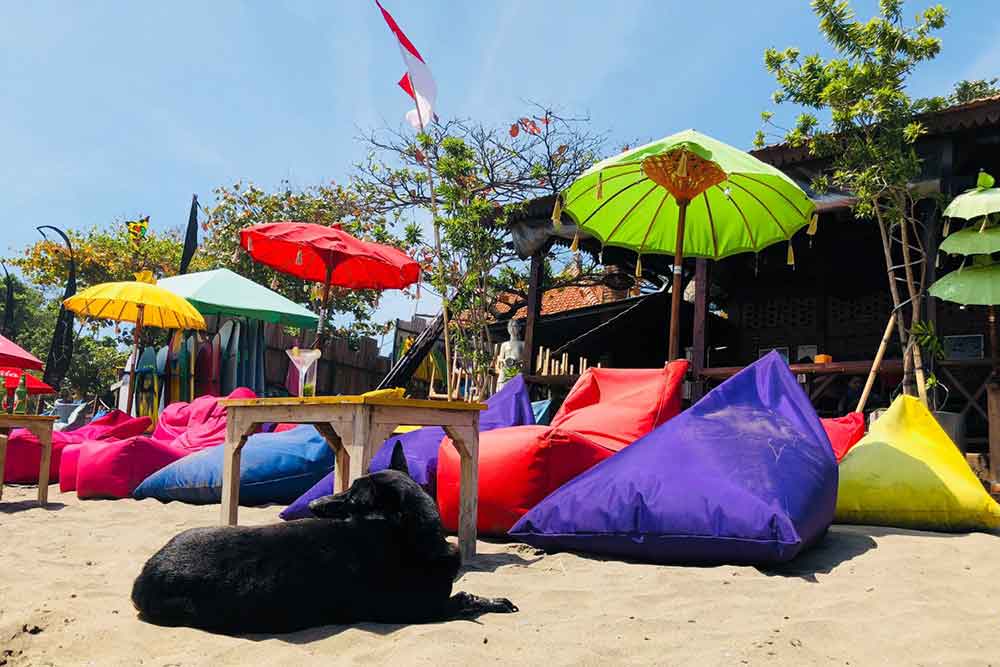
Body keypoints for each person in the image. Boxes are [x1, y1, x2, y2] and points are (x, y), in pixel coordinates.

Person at [495, 319, 525, 390]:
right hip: (505, 369)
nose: (512, 328)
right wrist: (504, 360)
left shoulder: (522, 344)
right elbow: (500, 358)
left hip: (517, 369)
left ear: (519, 328)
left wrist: (516, 362)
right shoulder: (504, 344)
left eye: (514, 326)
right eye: (510, 326)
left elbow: (525, 359)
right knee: (502, 387)